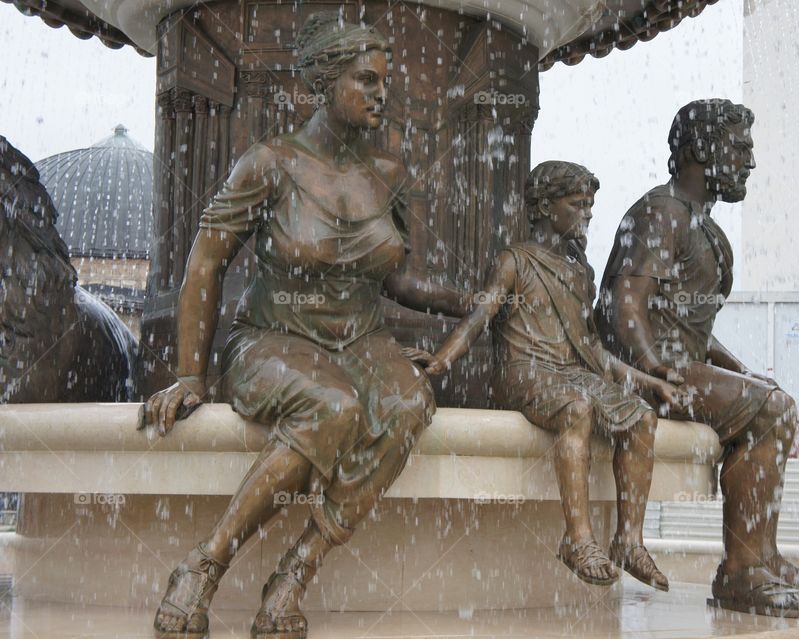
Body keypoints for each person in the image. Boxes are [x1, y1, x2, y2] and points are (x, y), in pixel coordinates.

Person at [139, 13, 470, 638]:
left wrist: (471, 300)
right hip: (272, 337)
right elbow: (206, 261)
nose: (381, 95)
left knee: (406, 404)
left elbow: (398, 280)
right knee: (332, 404)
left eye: (385, 83)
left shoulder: (391, 176)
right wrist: (189, 372)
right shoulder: (269, 163)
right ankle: (206, 563)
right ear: (323, 83)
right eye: (365, 81)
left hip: (361, 338)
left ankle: (295, 572)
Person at [595, 99, 799, 618]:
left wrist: (740, 372)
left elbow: (691, 329)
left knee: (770, 399)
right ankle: (742, 570)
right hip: (643, 376)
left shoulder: (702, 225)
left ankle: (762, 556)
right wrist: (650, 368)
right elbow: (624, 303)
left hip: (677, 366)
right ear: (702, 150)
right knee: (773, 408)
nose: (749, 161)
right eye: (739, 148)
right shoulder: (662, 212)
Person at [426, 161, 681, 589]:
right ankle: (578, 539)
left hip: (570, 372)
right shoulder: (514, 260)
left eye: (591, 206)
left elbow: (593, 349)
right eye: (578, 204)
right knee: (576, 409)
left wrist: (648, 382)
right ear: (545, 206)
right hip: (523, 372)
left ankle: (628, 541)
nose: (587, 214)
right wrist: (440, 361)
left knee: (642, 419)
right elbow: (478, 319)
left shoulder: (579, 272)